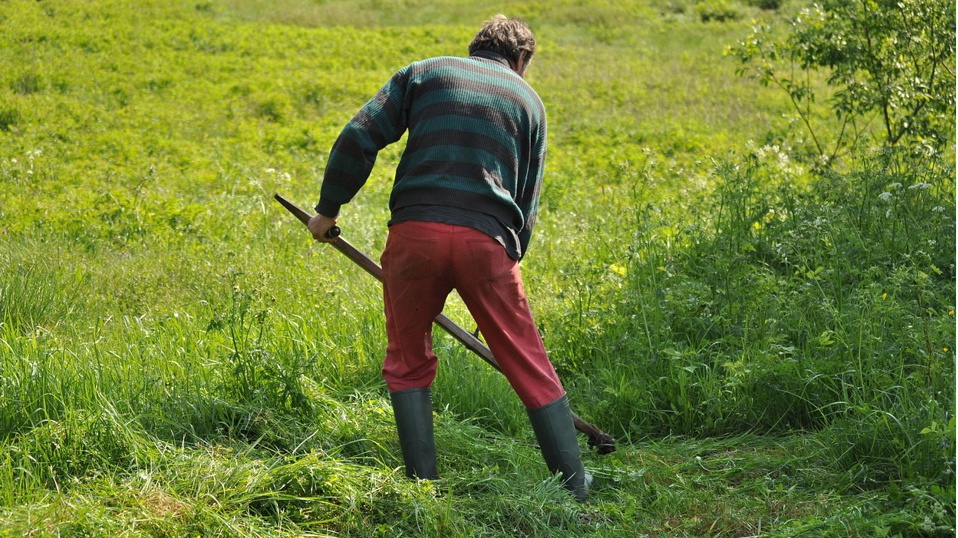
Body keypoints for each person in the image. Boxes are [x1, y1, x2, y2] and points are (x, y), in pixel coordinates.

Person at [307, 14, 591, 502]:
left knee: (407, 359)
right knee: (527, 361)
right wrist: (505, 268)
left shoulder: (424, 72)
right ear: (521, 60)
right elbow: (528, 200)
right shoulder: (530, 102)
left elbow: (359, 136)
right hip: (488, 244)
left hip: (414, 235)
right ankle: (575, 484)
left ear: (475, 47)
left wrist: (327, 211)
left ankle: (422, 487)